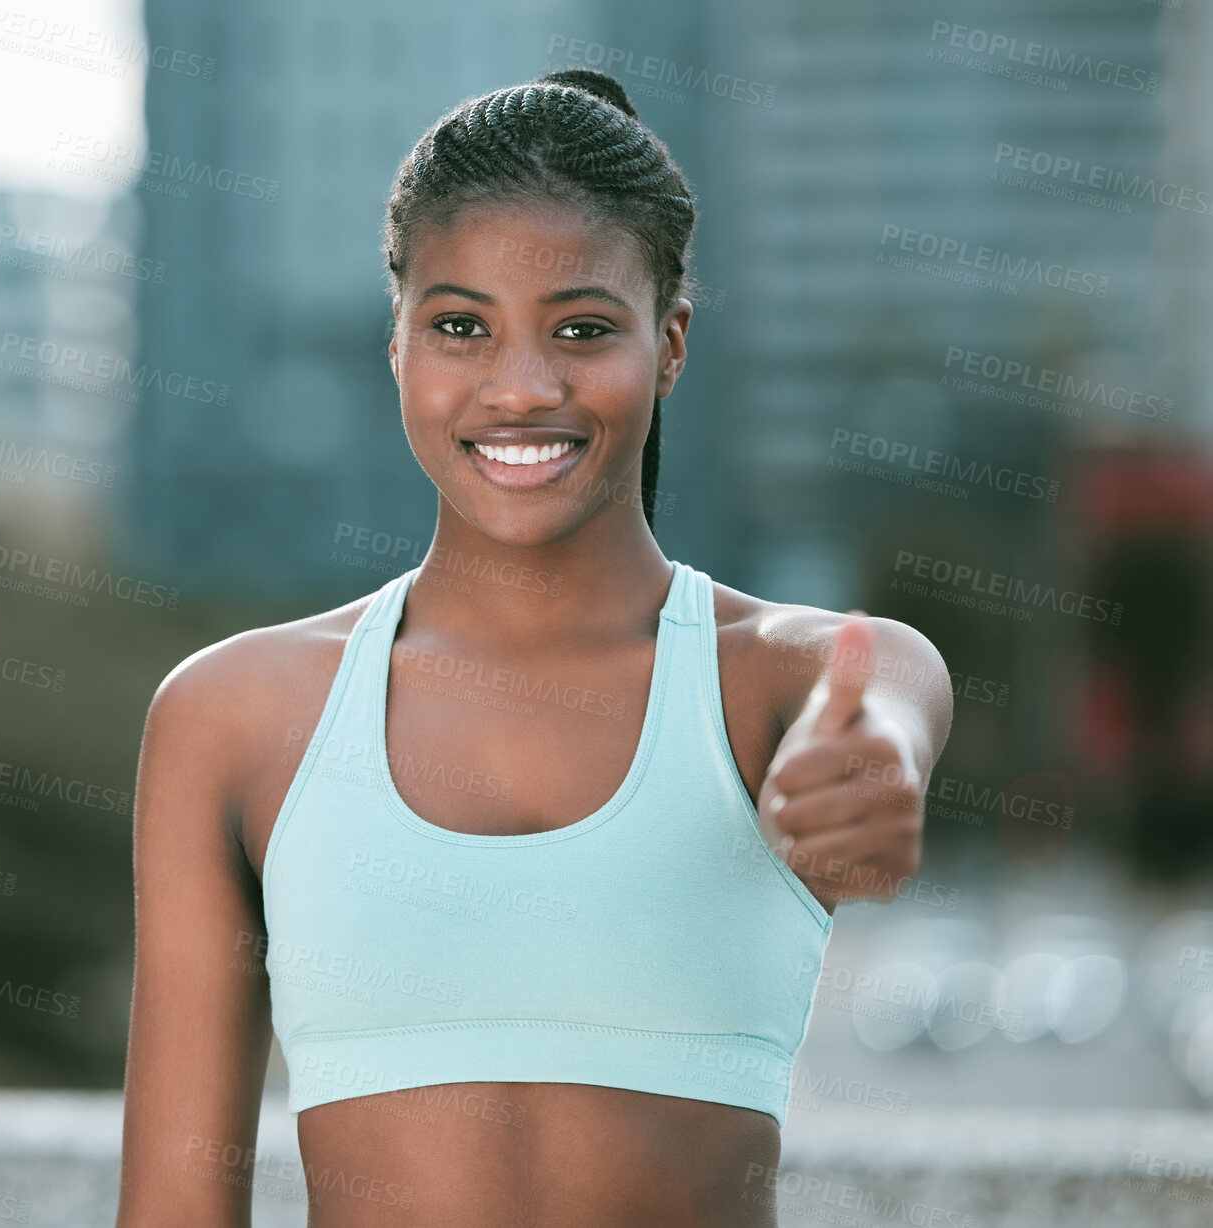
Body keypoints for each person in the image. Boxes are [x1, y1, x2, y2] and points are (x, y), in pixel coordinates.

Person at [116, 68, 954, 1227]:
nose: (520, 386)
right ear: (397, 345)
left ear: (667, 345)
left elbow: (884, 720)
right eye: (460, 325)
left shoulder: (786, 676)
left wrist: (866, 774)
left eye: (580, 329)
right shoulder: (228, 717)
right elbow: (171, 1211)